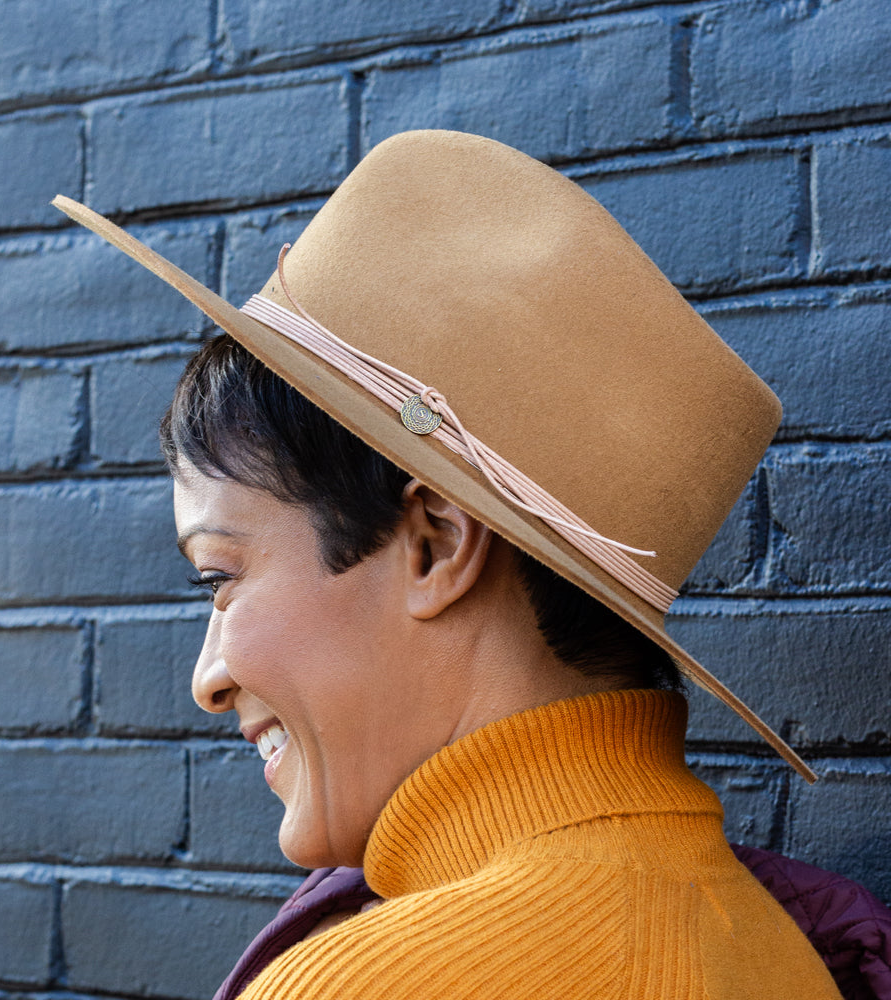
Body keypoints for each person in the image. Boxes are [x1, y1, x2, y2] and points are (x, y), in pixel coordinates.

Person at [53, 131, 843, 997]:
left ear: (436, 544)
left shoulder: (369, 982)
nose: (207, 678)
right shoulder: (778, 949)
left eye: (221, 579)